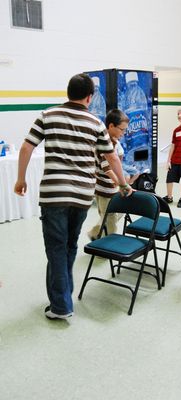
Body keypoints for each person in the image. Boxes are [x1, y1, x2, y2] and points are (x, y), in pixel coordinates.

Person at [14, 73, 132, 320]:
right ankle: (64, 295)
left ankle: (61, 305)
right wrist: (123, 184)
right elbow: (111, 157)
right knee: (69, 245)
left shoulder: (47, 115)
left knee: (56, 249)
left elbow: (26, 147)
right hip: (81, 195)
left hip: (54, 193)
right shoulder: (96, 123)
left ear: (68, 92)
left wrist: (21, 179)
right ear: (90, 97)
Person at [88, 109, 131, 240]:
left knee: (109, 216)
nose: (123, 133)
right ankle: (108, 248)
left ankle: (95, 234)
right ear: (111, 126)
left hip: (111, 188)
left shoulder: (114, 142)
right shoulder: (103, 143)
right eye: (121, 130)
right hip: (104, 189)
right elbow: (108, 168)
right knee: (110, 219)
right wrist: (122, 184)